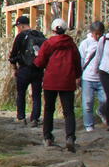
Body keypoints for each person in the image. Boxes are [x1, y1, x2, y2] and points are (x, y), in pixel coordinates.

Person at [35, 17, 81, 152]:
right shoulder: (71, 44)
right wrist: (78, 76)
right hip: (67, 80)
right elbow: (77, 61)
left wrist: (37, 60)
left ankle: (47, 137)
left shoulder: (48, 44)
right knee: (69, 111)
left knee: (49, 109)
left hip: (51, 80)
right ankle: (70, 137)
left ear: (53, 30)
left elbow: (40, 62)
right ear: (65, 30)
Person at [8, 14, 45, 127]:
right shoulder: (39, 35)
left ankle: (21, 117)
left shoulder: (20, 37)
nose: (17, 28)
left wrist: (14, 68)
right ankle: (35, 118)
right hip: (38, 69)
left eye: (17, 26)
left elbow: (13, 54)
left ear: (21, 25)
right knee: (37, 94)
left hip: (24, 69)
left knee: (21, 93)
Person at [78, 21, 106, 132]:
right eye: (96, 34)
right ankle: (89, 125)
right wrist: (78, 75)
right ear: (92, 32)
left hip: (102, 77)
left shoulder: (105, 42)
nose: (98, 36)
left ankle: (101, 111)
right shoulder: (86, 43)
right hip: (87, 78)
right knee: (87, 103)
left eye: (100, 34)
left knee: (106, 100)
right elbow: (80, 60)